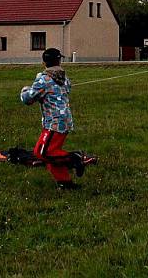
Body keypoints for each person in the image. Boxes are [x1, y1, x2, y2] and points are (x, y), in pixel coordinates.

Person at [21, 48, 95, 189]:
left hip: (54, 123)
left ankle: (76, 158)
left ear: (44, 62)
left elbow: (28, 99)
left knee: (45, 153)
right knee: (42, 152)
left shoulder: (43, 79)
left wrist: (25, 90)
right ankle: (65, 182)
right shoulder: (64, 78)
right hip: (64, 121)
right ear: (59, 60)